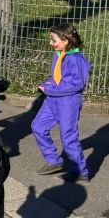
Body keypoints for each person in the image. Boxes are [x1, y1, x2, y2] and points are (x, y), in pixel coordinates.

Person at [32, 22, 92, 181]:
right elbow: (56, 78)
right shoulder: (58, 54)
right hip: (52, 100)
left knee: (68, 138)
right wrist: (47, 84)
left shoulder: (77, 59)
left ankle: (80, 171)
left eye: (54, 40)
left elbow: (76, 84)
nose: (51, 43)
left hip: (68, 102)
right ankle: (54, 161)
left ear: (66, 40)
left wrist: (50, 89)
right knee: (38, 126)